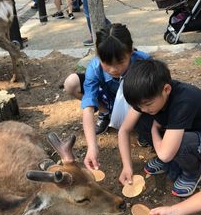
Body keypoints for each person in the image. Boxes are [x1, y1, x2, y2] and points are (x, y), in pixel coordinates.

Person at [119, 59, 201, 197]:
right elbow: (124, 130)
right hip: (182, 130)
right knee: (141, 118)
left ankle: (193, 172)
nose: (143, 108)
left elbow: (165, 155)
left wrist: (154, 130)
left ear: (166, 89)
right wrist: (127, 166)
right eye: (138, 106)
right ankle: (170, 151)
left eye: (147, 104)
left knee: (179, 144)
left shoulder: (184, 100)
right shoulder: (148, 96)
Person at [63, 23, 150, 170]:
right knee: (71, 83)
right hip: (108, 98)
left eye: (120, 62)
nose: (113, 69)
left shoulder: (144, 62)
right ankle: (105, 113)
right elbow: (88, 107)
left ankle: (141, 124)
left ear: (131, 51)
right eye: (107, 63)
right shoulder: (94, 67)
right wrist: (92, 146)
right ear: (98, 56)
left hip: (135, 102)